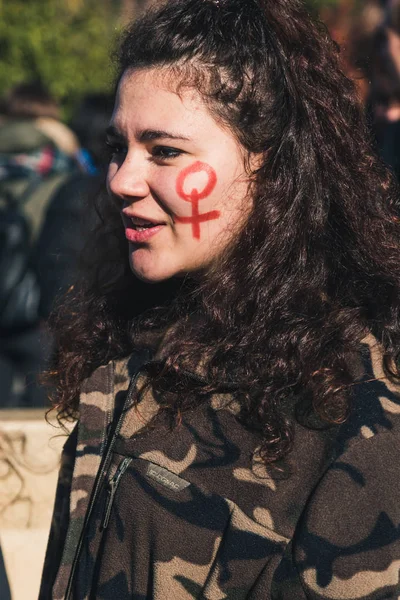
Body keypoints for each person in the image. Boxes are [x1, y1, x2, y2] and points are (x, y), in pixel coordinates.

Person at [40, 0, 400, 598]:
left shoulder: (357, 398)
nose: (122, 180)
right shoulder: (128, 352)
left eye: (165, 150)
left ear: (273, 167)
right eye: (118, 147)